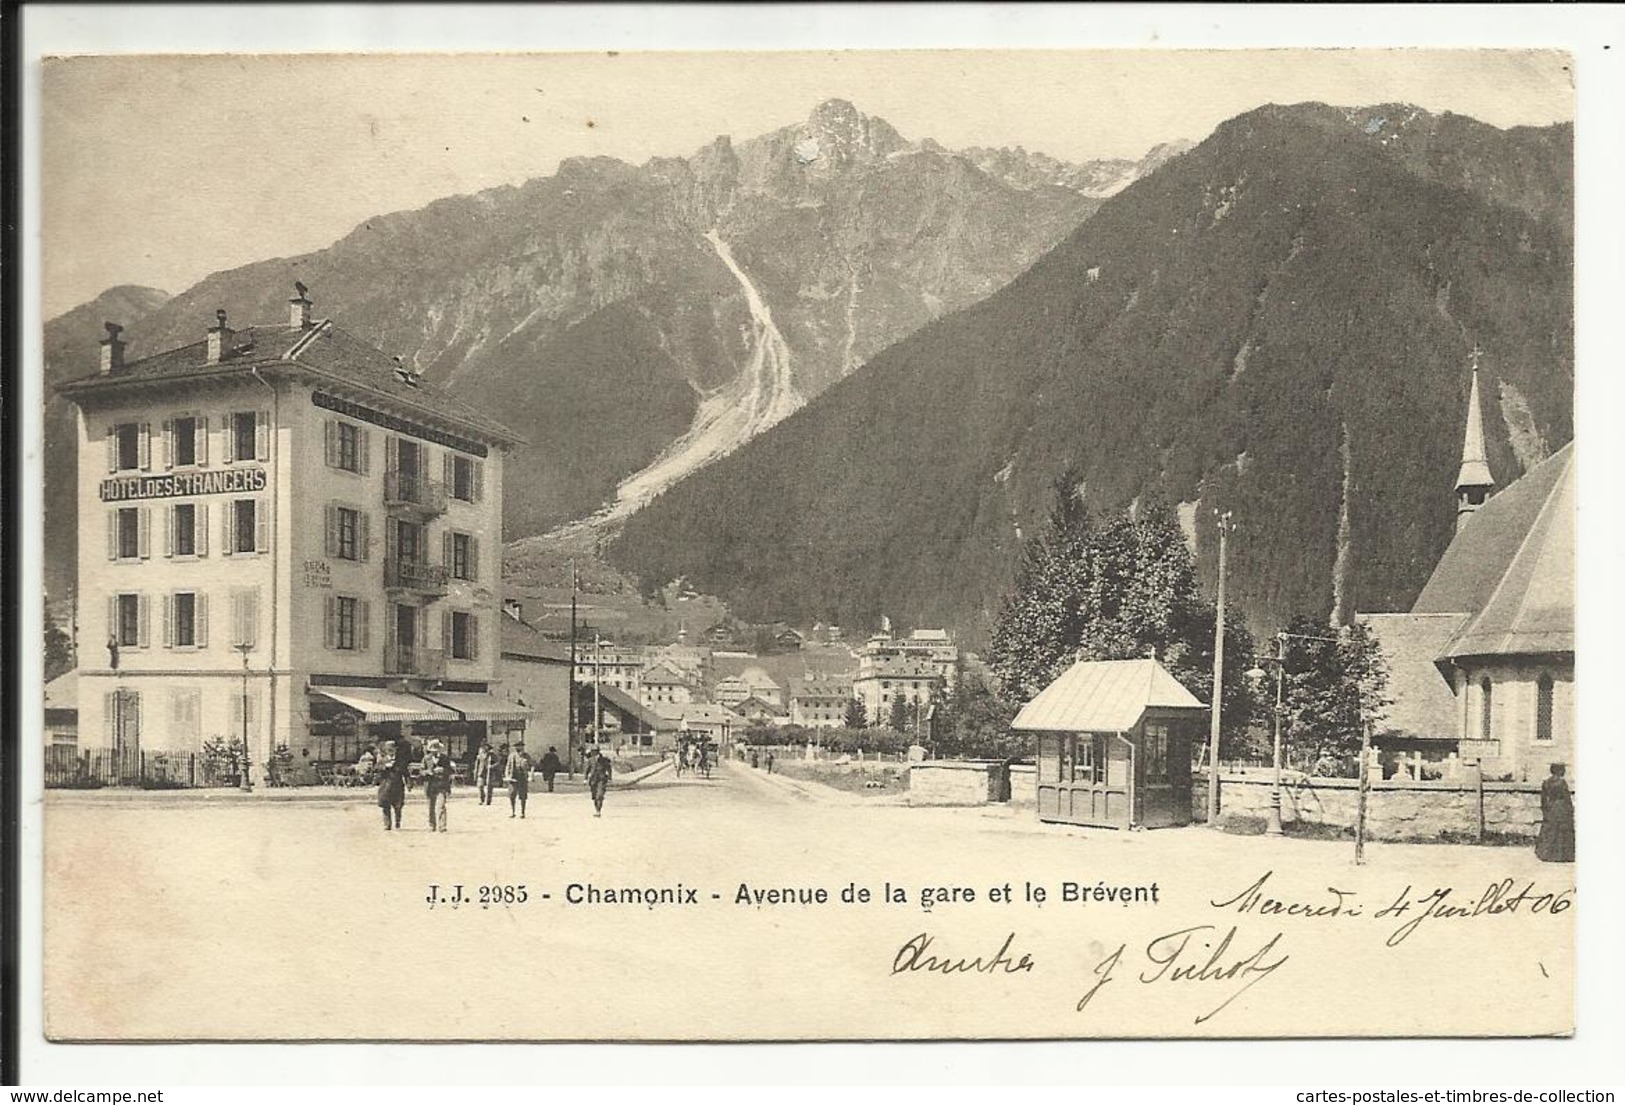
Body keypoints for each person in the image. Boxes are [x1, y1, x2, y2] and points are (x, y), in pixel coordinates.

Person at [1535, 763, 1575, 862]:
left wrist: (1545, 810)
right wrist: (1570, 809)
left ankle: (1546, 854)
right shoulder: (1562, 782)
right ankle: (1562, 855)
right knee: (1562, 830)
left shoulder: (1546, 782)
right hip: (1561, 807)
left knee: (1550, 829)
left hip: (1551, 807)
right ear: (1560, 771)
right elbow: (1566, 797)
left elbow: (1543, 799)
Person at [421, 740, 452, 832]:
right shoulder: (426, 759)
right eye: (433, 750)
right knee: (431, 806)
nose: (435, 751)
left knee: (441, 805)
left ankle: (442, 826)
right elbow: (421, 771)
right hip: (430, 785)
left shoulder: (445, 758)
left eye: (437, 749)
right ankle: (432, 824)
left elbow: (450, 771)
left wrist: (443, 770)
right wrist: (428, 772)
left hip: (442, 785)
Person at [376, 741, 406, 831]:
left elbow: (405, 772)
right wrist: (384, 767)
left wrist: (409, 783)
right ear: (385, 751)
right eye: (388, 750)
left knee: (398, 806)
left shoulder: (400, 760)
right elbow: (376, 769)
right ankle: (387, 824)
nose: (390, 752)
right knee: (385, 805)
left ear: (395, 751)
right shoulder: (382, 760)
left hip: (398, 786)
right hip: (386, 786)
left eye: (392, 750)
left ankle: (397, 822)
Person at [505, 740, 533, 819]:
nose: (518, 748)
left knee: (523, 796)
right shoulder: (512, 756)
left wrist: (531, 776)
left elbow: (532, 766)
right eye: (517, 746)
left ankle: (522, 812)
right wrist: (507, 775)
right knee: (512, 795)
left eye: (520, 746)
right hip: (513, 778)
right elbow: (508, 766)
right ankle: (512, 812)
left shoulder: (526, 756)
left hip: (522, 778)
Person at [587, 747, 613, 817]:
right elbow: (587, 769)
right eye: (592, 751)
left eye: (595, 751)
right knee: (594, 796)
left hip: (602, 779)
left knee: (600, 795)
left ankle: (598, 811)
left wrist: (610, 777)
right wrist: (585, 778)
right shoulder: (590, 760)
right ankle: (596, 809)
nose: (593, 753)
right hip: (593, 780)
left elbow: (609, 768)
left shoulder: (604, 760)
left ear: (598, 752)